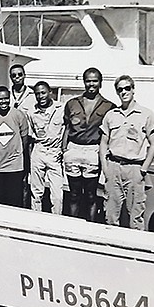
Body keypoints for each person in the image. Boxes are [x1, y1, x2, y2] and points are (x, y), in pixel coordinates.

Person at [99, 75, 154, 230]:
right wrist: (106, 168)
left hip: (135, 168)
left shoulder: (146, 114)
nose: (124, 92)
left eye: (127, 88)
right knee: (110, 213)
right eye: (120, 90)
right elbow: (103, 143)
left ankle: (135, 251)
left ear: (133, 89)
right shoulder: (111, 115)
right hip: (113, 167)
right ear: (117, 92)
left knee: (136, 214)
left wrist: (144, 168)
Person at [62, 67, 115, 221]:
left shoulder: (109, 106)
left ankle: (90, 228)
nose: (91, 84)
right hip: (73, 149)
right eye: (88, 81)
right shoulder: (72, 103)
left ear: (100, 83)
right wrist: (64, 149)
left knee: (91, 195)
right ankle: (74, 228)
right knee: (73, 194)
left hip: (93, 151)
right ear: (84, 82)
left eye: (95, 81)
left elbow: (109, 134)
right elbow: (67, 128)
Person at [0, 86, 29, 208]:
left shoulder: (19, 115)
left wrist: (18, 155)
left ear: (10, 99)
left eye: (6, 98)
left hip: (15, 167)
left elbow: (25, 139)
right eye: (0, 99)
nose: (3, 101)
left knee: (15, 201)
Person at [27, 81, 64, 214]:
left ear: (50, 93)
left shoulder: (61, 109)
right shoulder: (32, 112)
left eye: (43, 93)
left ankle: (57, 220)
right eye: (37, 94)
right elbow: (31, 136)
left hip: (55, 153)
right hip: (39, 151)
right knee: (36, 192)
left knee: (57, 194)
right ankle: (36, 217)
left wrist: (63, 149)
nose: (40, 96)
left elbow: (67, 130)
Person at [9, 64, 35, 208]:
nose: (17, 78)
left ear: (24, 75)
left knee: (25, 177)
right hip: (10, 141)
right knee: (13, 176)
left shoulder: (32, 96)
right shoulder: (7, 94)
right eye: (14, 75)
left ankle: (25, 207)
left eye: (20, 74)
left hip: (26, 140)